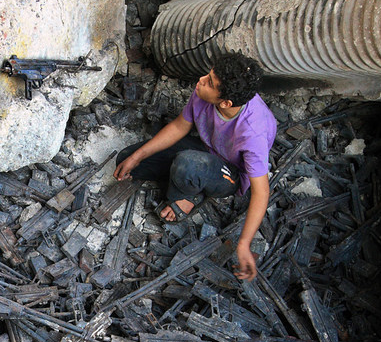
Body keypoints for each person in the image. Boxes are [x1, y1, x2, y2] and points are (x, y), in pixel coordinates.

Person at [113, 52, 276, 281]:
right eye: (208, 74)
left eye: (210, 82)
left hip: (229, 174)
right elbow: (180, 126)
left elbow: (261, 191)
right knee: (127, 158)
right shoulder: (204, 93)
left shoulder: (253, 132)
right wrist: (137, 156)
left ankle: (189, 196)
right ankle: (184, 177)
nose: (201, 80)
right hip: (204, 148)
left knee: (189, 164)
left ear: (226, 102)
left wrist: (244, 243)